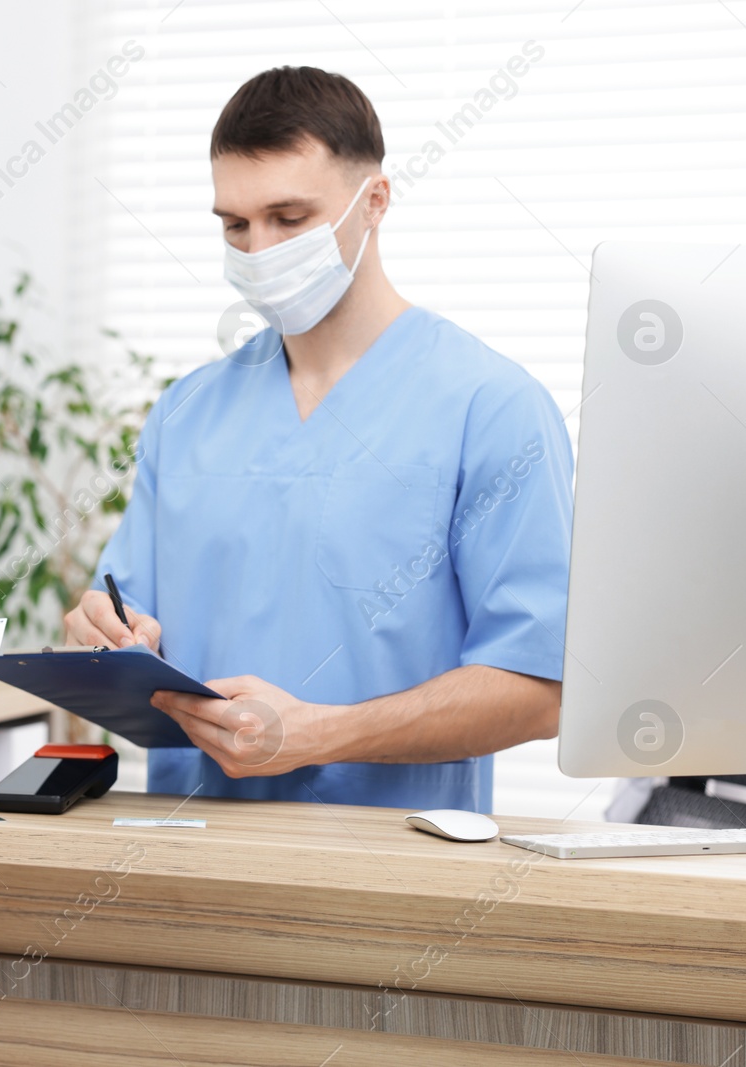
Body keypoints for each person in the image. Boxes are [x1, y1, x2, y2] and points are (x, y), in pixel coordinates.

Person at [65, 67, 573, 813]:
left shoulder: (491, 407)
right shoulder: (187, 413)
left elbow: (539, 688)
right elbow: (126, 621)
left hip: (389, 875)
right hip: (181, 859)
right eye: (235, 225)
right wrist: (100, 635)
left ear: (374, 203)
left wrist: (325, 733)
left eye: (290, 217)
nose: (259, 250)